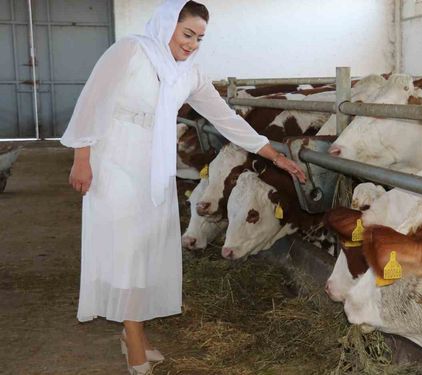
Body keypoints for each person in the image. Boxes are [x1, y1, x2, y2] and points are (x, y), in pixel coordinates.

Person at [60, 1, 306, 374]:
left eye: (200, 38)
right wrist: (82, 157)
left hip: (155, 164)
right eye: (187, 34)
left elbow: (225, 118)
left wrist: (274, 155)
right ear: (167, 26)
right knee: (127, 247)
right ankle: (135, 341)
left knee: (144, 245)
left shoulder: (189, 73)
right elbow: (92, 101)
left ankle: (133, 335)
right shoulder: (130, 50)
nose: (192, 44)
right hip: (114, 158)